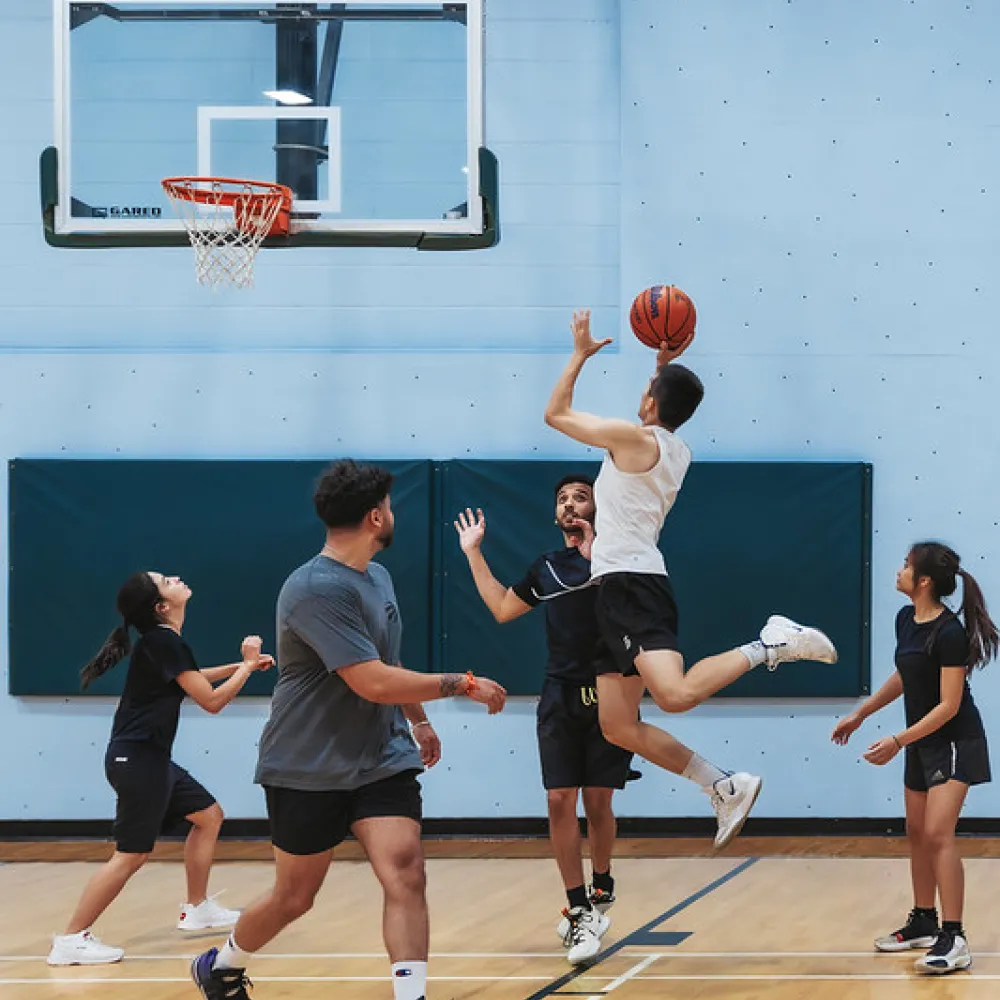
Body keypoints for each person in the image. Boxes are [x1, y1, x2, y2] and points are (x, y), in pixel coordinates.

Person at [192, 459, 507, 1000]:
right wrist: (462, 684)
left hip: (381, 758)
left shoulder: (376, 577)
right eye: (389, 505)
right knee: (295, 897)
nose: (393, 512)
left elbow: (389, 661)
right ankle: (221, 965)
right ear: (375, 516)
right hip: (307, 765)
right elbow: (372, 682)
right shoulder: (314, 588)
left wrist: (421, 720)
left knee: (405, 870)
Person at [543, 308, 839, 864]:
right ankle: (721, 785)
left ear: (652, 403)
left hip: (631, 583)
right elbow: (663, 411)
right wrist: (662, 367)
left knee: (674, 696)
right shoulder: (672, 446)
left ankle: (772, 643)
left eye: (649, 388)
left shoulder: (633, 439)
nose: (644, 392)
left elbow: (555, 413)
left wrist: (580, 355)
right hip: (615, 589)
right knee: (616, 725)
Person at [47, 571, 274, 966]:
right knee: (131, 855)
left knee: (208, 816)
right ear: (161, 607)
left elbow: (191, 681)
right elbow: (212, 702)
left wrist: (242, 667)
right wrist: (247, 664)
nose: (176, 578)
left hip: (148, 758)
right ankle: (70, 939)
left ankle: (197, 907)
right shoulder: (164, 641)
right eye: (165, 580)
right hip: (136, 760)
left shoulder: (164, 644)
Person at [454, 474, 633, 964]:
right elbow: (500, 607)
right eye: (562, 499)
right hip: (559, 694)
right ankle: (579, 912)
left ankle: (602, 889)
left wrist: (600, 541)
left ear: (599, 506)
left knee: (598, 802)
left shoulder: (621, 557)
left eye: (581, 497)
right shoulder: (548, 568)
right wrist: (474, 552)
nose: (571, 504)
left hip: (610, 691)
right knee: (559, 800)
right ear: (555, 515)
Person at [832, 542, 996, 974]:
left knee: (940, 834)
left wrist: (897, 741)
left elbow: (947, 705)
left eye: (906, 566)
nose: (899, 571)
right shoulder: (907, 619)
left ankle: (955, 937)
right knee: (918, 832)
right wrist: (861, 713)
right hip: (921, 742)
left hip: (955, 741)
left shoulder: (950, 633)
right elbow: (906, 675)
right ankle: (924, 920)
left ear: (924, 581)